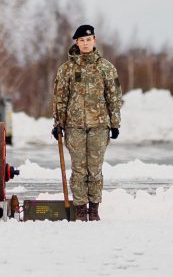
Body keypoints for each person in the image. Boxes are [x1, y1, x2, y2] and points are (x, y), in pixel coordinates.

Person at [52, 24, 123, 221]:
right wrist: (58, 122)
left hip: (99, 126)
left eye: (88, 39)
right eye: (81, 40)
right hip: (74, 126)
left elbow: (114, 97)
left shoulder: (106, 68)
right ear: (76, 42)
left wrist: (115, 123)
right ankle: (81, 209)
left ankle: (94, 209)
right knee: (78, 169)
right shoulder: (66, 69)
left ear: (94, 40)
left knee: (95, 169)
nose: (85, 43)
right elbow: (60, 98)